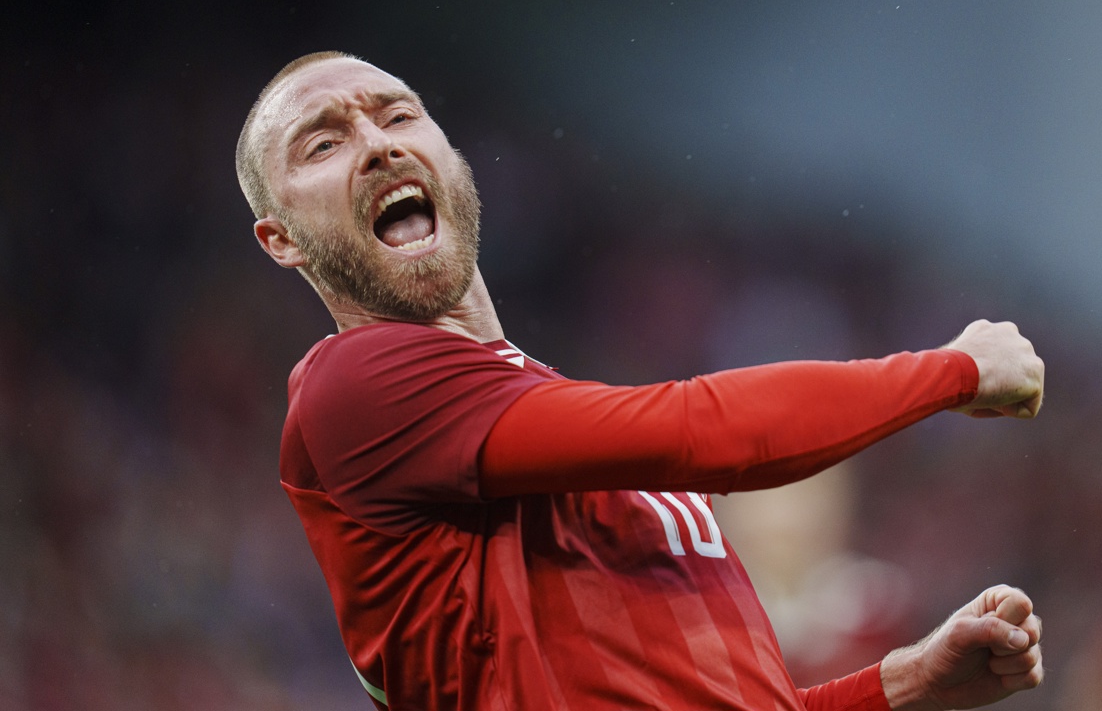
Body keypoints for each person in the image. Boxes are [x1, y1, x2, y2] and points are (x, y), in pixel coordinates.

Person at [236, 51, 1046, 711]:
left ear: (451, 157)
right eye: (323, 143)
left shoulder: (542, 415)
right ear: (281, 240)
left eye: (399, 113)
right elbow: (703, 435)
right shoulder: (355, 383)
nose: (379, 142)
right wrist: (955, 370)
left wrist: (899, 685)